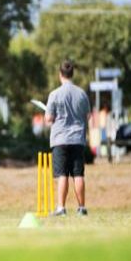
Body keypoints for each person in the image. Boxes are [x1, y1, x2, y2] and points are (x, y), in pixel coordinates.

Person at [44, 59, 90, 216]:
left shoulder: (54, 94)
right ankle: (82, 207)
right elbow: (88, 116)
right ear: (72, 74)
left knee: (62, 174)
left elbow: (49, 118)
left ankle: (61, 208)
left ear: (60, 74)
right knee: (78, 174)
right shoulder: (82, 94)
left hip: (60, 140)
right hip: (78, 139)